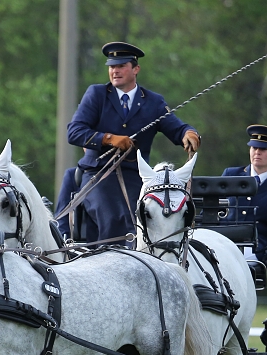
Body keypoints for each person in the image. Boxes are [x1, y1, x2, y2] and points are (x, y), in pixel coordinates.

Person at [66, 42, 200, 246]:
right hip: (98, 174)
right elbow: (74, 132)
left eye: (121, 66)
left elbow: (177, 128)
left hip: (136, 177)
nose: (115, 71)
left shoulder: (153, 102)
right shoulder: (96, 95)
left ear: (136, 69)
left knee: (148, 217)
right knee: (113, 217)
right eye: (112, 66)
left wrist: (189, 134)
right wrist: (109, 139)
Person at [222, 124, 267, 274]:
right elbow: (215, 209)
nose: (257, 152)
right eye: (254, 148)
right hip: (223, 247)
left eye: (263, 149)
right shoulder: (231, 175)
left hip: (255, 256)